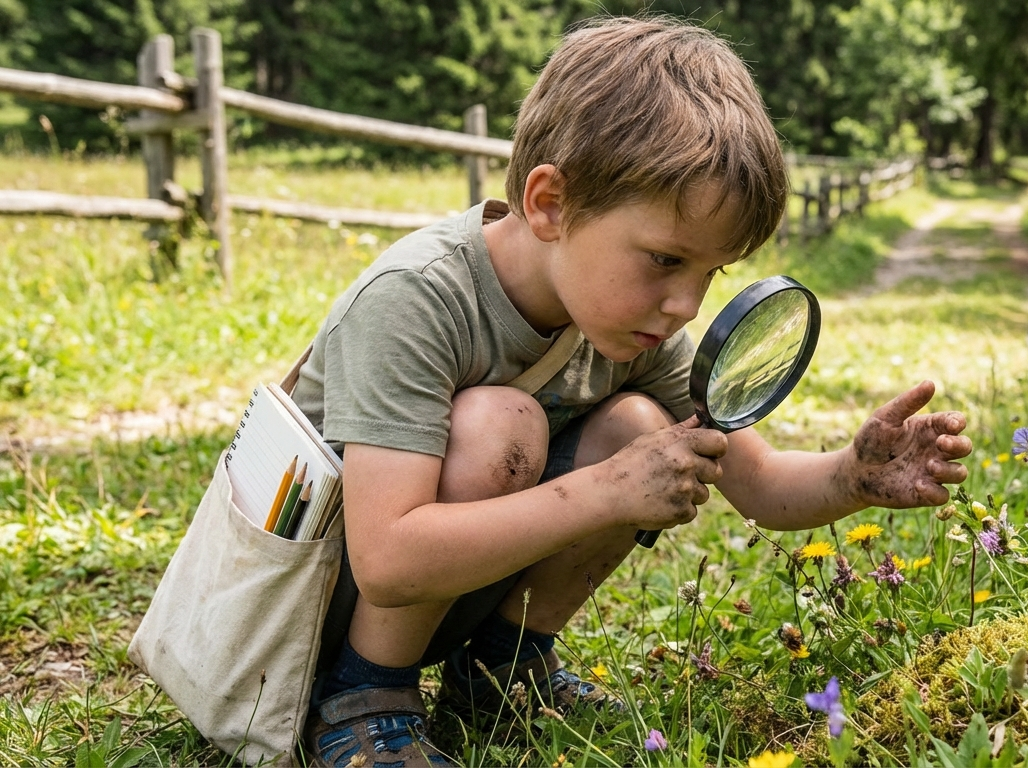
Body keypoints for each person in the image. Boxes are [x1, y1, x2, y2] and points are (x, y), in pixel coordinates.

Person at [291, 16, 972, 767]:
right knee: (501, 424)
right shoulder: (416, 298)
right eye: (663, 259)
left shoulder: (630, 324)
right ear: (551, 204)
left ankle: (502, 671)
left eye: (708, 274)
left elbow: (762, 483)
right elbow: (386, 559)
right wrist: (609, 493)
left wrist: (853, 474)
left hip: (444, 589)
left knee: (639, 427)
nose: (684, 303)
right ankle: (366, 699)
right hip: (317, 611)